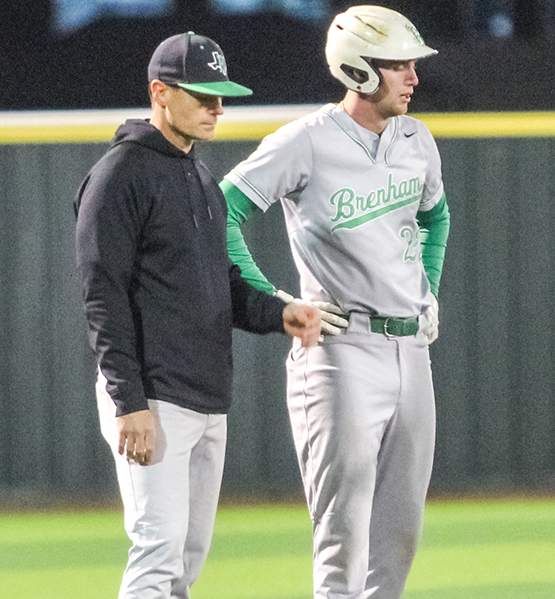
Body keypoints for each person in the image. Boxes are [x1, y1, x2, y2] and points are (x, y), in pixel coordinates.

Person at [74, 32, 322, 599]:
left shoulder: (201, 177)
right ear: (160, 92)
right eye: (203, 95)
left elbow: (221, 286)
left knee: (185, 561)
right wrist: (128, 403)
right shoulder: (118, 177)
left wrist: (279, 313)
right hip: (153, 397)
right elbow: (102, 295)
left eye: (221, 96)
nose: (217, 107)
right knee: (158, 553)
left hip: (207, 397)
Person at [220, 6, 450, 599]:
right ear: (359, 69)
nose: (413, 77)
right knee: (343, 544)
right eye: (398, 65)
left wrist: (428, 285)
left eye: (411, 64)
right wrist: (271, 298)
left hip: (411, 350)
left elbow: (436, 216)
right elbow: (223, 211)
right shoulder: (307, 141)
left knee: (399, 538)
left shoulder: (417, 139)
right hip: (340, 350)